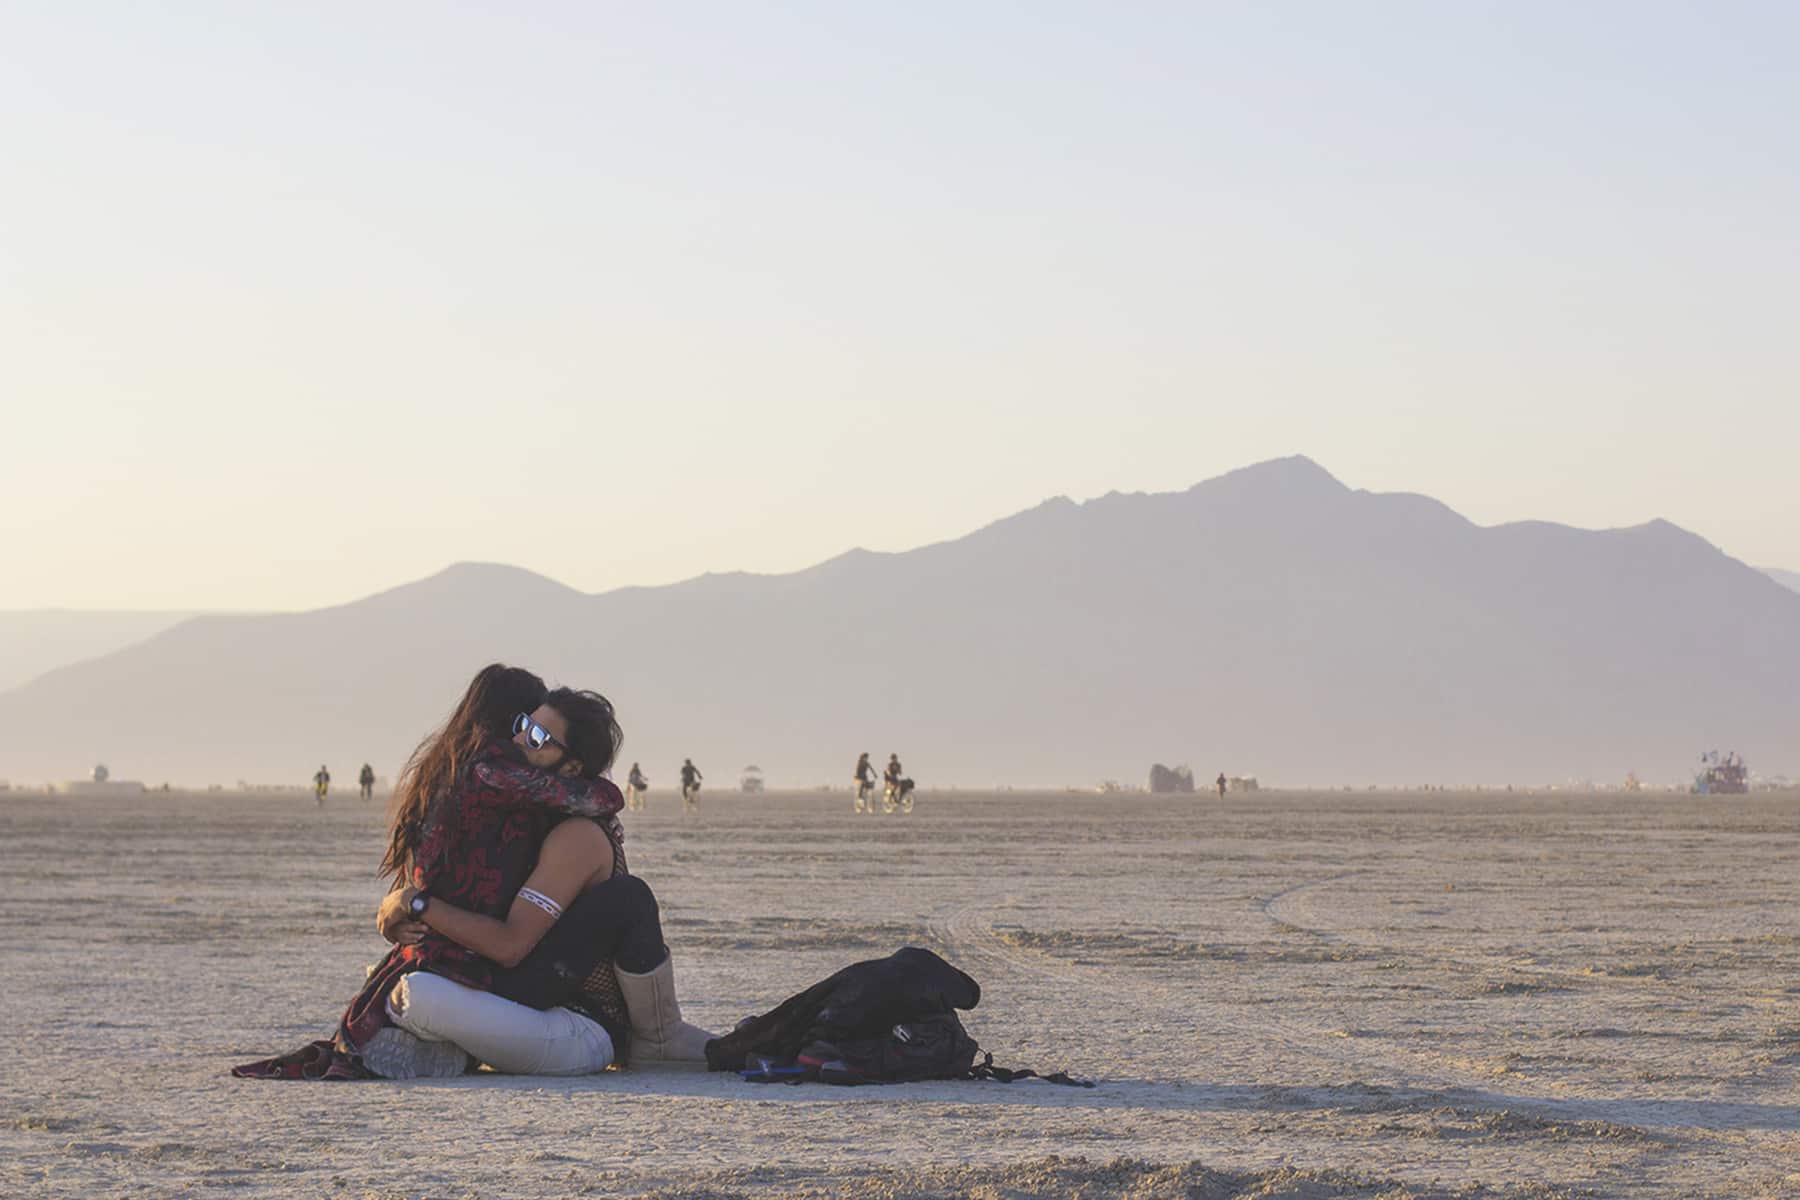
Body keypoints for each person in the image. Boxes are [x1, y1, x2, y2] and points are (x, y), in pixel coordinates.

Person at [231, 666, 664, 1080]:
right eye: (522, 724)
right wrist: (413, 902)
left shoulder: (468, 778)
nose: (521, 738)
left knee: (417, 994)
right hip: (471, 961)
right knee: (419, 995)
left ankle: (431, 1035)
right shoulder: (492, 773)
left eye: (534, 731)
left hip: (458, 959)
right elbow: (605, 797)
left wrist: (408, 902)